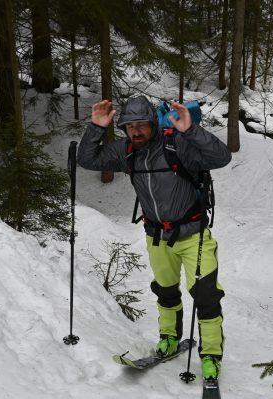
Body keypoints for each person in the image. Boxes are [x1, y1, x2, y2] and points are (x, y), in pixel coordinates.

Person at [77, 95, 232, 381]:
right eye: (129, 126)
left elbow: (221, 157)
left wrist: (191, 131)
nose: (135, 132)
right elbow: (87, 159)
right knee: (166, 292)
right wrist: (96, 128)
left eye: (141, 126)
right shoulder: (126, 151)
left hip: (193, 235)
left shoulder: (177, 145)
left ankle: (211, 356)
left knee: (206, 296)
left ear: (153, 125)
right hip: (157, 237)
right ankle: (169, 339)